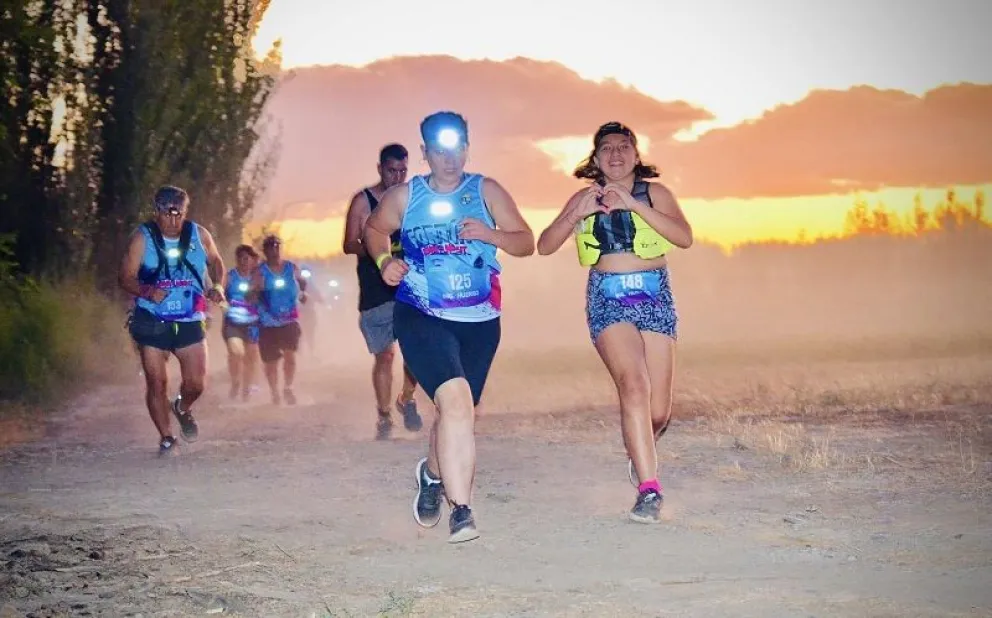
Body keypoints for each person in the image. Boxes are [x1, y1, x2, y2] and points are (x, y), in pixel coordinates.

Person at [364, 111, 534, 543]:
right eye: (439, 150)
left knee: (456, 413)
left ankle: (433, 475)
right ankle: (463, 510)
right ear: (424, 153)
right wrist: (386, 261)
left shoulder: (486, 190)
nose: (450, 157)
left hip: (479, 321)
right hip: (421, 314)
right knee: (456, 404)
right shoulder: (406, 197)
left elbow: (525, 241)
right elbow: (375, 228)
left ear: (467, 148)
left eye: (457, 147)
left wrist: (490, 235)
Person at [536, 121, 693, 524]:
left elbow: (684, 237)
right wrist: (576, 213)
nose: (616, 155)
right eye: (607, 149)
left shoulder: (655, 193)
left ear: (637, 156)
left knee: (658, 411)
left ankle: (642, 447)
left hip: (655, 293)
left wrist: (635, 205)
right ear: (595, 158)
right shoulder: (583, 196)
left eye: (624, 147)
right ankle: (649, 488)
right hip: (607, 296)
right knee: (634, 387)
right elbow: (545, 245)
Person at [118, 185, 227, 455]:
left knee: (196, 383)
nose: (173, 220)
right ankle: (166, 438)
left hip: (190, 318)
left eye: (179, 214)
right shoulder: (142, 238)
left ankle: (182, 407)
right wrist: (148, 292)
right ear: (157, 211)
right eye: (167, 213)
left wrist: (218, 286)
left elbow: (217, 262)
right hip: (152, 318)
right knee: (156, 382)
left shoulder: (199, 235)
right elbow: (125, 277)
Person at [343, 143, 424, 439]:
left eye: (403, 170)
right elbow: (348, 243)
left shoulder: (415, 199)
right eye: (392, 170)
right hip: (376, 287)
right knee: (385, 355)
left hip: (412, 285)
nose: (398, 176)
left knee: (415, 351)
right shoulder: (363, 201)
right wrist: (376, 244)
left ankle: (407, 398)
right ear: (380, 169)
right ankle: (384, 415)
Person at [252, 234, 308, 406]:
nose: (274, 250)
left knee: (290, 355)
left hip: (289, 319)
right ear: (265, 250)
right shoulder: (260, 272)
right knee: (271, 361)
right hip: (267, 321)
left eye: (277, 246)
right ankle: (274, 392)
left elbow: (302, 280)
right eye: (270, 247)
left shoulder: (291, 267)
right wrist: (256, 291)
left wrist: (302, 293)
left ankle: (288, 387)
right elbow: (252, 293)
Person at [222, 244, 261, 401]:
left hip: (252, 323)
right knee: (235, 353)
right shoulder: (230, 277)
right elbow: (220, 294)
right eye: (240, 258)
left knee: (251, 356)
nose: (243, 261)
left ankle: (247, 387)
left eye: (247, 258)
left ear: (252, 260)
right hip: (233, 323)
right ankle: (235, 382)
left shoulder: (258, 277)